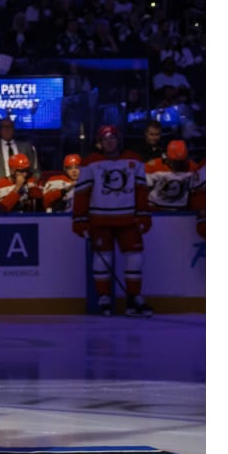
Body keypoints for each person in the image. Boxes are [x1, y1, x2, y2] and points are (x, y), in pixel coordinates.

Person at [74, 125, 153, 316]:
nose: (109, 142)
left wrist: (144, 214)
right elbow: (82, 193)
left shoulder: (134, 160)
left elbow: (141, 190)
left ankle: (134, 298)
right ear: (99, 143)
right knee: (103, 259)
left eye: (112, 138)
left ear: (119, 140)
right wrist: (80, 218)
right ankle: (104, 298)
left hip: (128, 220)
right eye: (105, 139)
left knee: (135, 259)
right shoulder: (90, 162)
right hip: (100, 220)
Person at [0, 117, 41, 184]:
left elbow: (35, 170)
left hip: (22, 187)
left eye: (10, 126)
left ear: (14, 129)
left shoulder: (26, 147)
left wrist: (31, 184)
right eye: (3, 127)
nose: (7, 129)